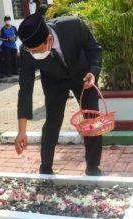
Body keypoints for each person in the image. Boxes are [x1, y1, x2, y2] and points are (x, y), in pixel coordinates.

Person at [15, 14, 103, 176]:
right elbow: (25, 89)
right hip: (54, 80)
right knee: (53, 121)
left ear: (49, 39)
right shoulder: (27, 51)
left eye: (38, 51)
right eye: (32, 52)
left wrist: (93, 72)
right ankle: (46, 167)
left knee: (91, 120)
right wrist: (22, 131)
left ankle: (92, 167)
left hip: (84, 77)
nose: (35, 55)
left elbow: (95, 49)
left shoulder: (73, 26)